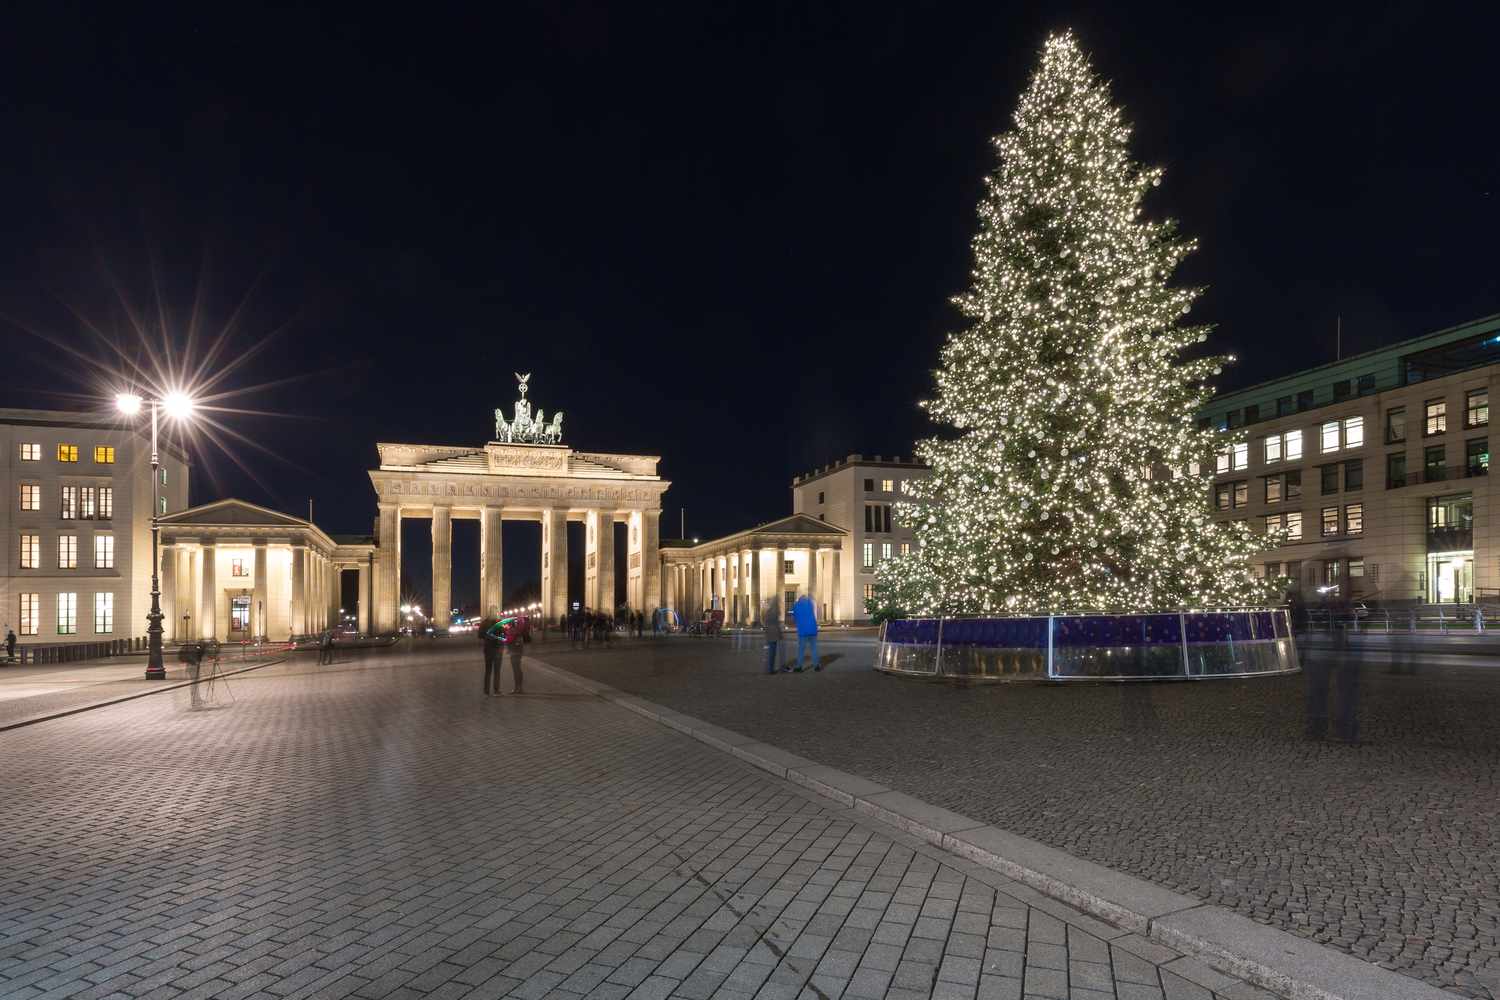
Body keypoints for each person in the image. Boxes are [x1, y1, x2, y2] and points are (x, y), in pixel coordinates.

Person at [788, 593, 820, 672]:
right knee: (814, 649)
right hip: (813, 629)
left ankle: (799, 666)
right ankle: (816, 666)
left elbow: (792, 616)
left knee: (801, 649)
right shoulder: (810, 604)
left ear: (799, 599)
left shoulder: (796, 605)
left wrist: (794, 618)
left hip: (803, 631)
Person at [481, 615, 502, 696]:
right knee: (497, 671)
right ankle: (496, 690)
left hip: (488, 649)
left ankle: (486, 690)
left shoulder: (484, 623)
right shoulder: (499, 622)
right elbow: (503, 634)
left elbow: (480, 635)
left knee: (488, 671)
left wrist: (487, 637)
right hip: (497, 649)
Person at [507, 616, 528, 694]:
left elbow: (512, 642)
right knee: (516, 670)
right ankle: (518, 687)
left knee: (516, 670)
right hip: (515, 652)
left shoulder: (513, 631)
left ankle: (518, 687)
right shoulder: (516, 631)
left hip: (515, 652)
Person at [763, 599, 783, 674]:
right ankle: (770, 669)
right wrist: (780, 634)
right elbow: (776, 625)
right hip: (773, 635)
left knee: (769, 652)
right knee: (772, 653)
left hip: (769, 634)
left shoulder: (768, 611)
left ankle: (768, 668)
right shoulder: (775, 612)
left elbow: (765, 622)